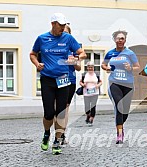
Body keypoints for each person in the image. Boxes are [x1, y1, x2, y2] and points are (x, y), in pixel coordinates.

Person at [29, 13, 86, 155]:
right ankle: (47, 133)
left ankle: (57, 141)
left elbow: (82, 53)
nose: (62, 27)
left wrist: (76, 58)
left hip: (64, 80)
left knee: (61, 113)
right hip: (47, 79)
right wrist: (37, 63)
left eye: (64, 25)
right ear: (53, 24)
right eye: (60, 25)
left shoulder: (68, 38)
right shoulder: (42, 38)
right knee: (49, 113)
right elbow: (32, 54)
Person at [101, 30, 140, 144]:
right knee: (119, 105)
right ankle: (119, 133)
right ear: (114, 40)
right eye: (118, 38)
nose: (120, 40)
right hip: (115, 82)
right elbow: (103, 64)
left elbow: (137, 67)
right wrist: (106, 68)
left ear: (125, 40)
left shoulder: (130, 53)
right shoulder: (110, 53)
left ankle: (121, 126)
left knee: (125, 110)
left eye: (122, 38)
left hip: (128, 84)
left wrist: (131, 68)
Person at [61, 24, 82, 145]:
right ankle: (57, 132)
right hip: (56, 79)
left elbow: (78, 67)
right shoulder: (53, 46)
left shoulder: (73, 48)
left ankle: (62, 134)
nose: (64, 34)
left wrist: (73, 62)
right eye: (62, 31)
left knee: (65, 109)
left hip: (70, 80)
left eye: (66, 32)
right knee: (55, 109)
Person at [80, 61, 102, 126]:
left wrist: (98, 85)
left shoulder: (96, 74)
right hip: (86, 92)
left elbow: (100, 82)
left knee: (93, 105)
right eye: (89, 67)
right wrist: (83, 84)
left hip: (95, 92)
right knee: (87, 106)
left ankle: (91, 118)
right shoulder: (84, 74)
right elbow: (80, 82)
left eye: (91, 67)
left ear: (93, 68)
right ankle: (88, 115)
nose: (90, 68)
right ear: (87, 68)